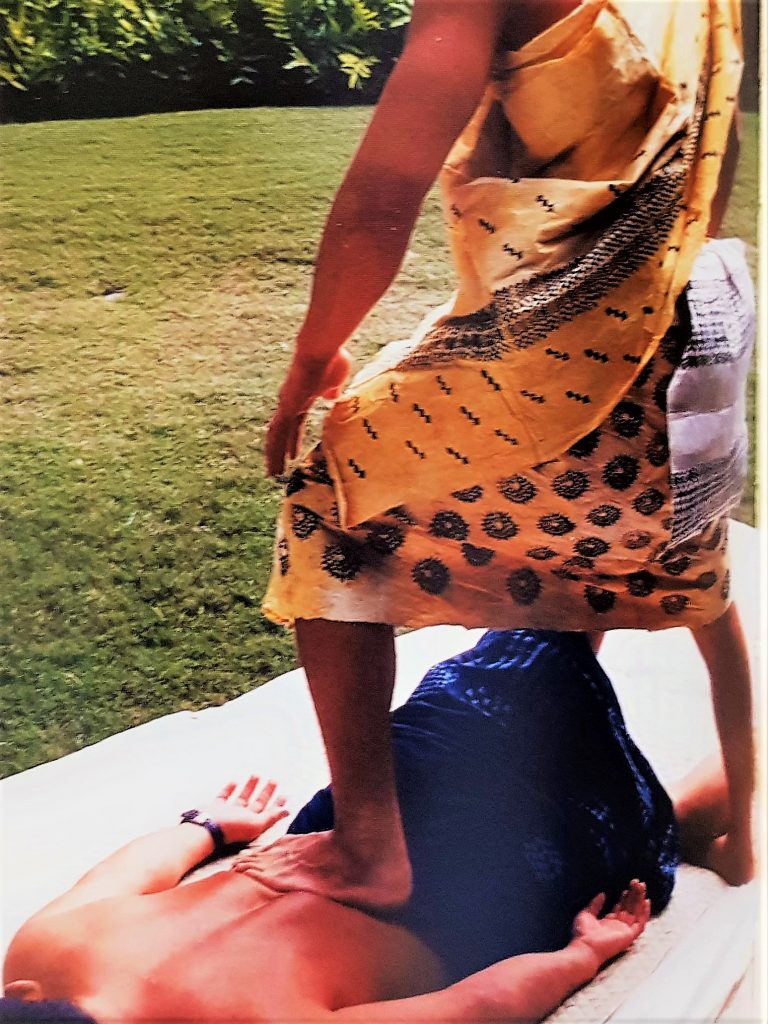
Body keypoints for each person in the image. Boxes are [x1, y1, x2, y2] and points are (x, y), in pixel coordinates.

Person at [257, 0, 755, 907]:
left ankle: (370, 844)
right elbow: (696, 186)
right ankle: (742, 819)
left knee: (329, 486)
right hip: (688, 381)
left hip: (571, 404)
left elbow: (381, 197)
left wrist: (308, 361)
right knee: (690, 561)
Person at [4, 628, 722, 1023]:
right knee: (521, 667)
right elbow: (125, 872)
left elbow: (477, 1008)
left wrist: (580, 956)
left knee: (630, 828)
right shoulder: (40, 952)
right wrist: (209, 829)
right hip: (357, 846)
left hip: (410, 881)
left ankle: (684, 807)